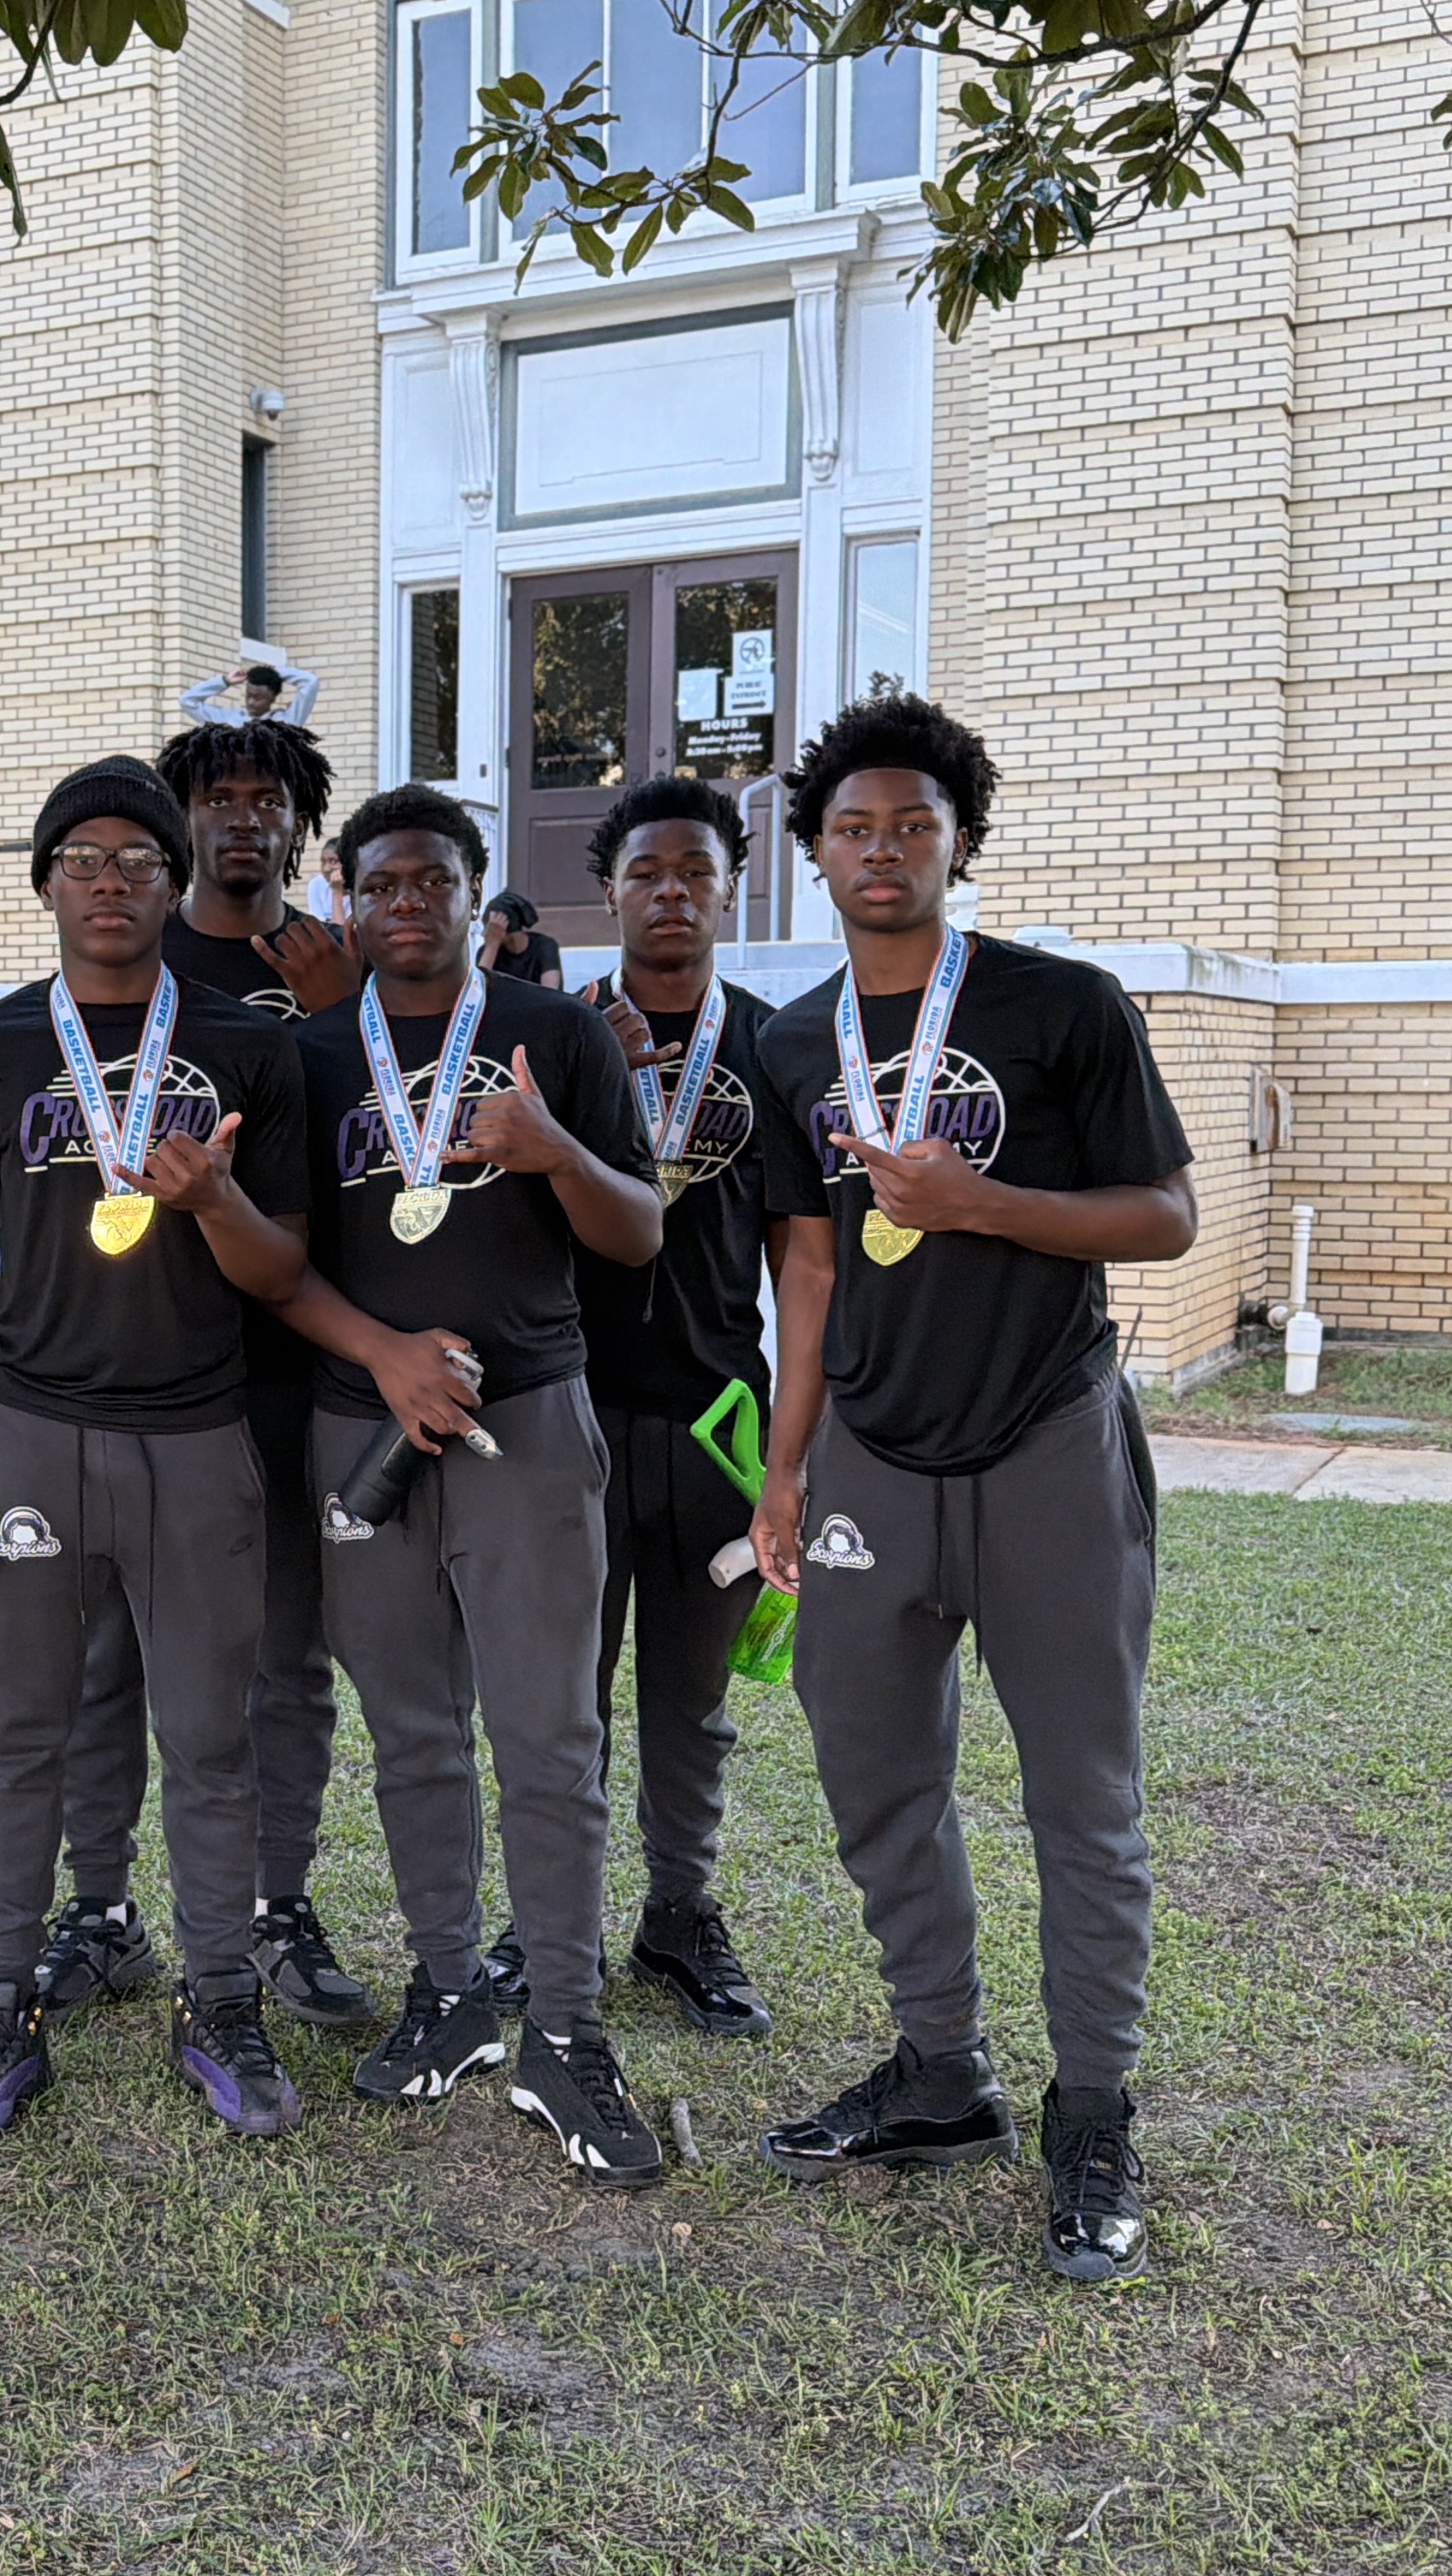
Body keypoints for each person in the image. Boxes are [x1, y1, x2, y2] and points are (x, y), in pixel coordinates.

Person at [743, 691, 1196, 2286]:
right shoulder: (789, 1038)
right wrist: (785, 1469)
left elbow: (1165, 1218)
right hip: (871, 1451)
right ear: (813, 851)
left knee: (1081, 1796)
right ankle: (939, 2071)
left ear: (957, 844)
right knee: (874, 1776)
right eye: (853, 826)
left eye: (912, 826)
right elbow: (806, 1270)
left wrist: (978, 1199)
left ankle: (1092, 2112)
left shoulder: (1060, 1004)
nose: (882, 849)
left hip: (1044, 1443)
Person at [0, 756, 318, 2144]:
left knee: (211, 1738)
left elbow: (281, 1270)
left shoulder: (253, 1050)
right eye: (81, 859)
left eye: (138, 861)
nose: (109, 882)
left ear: (175, 881)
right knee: (15, 1736)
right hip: (30, 1435)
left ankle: (220, 1997)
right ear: (43, 884)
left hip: (198, 1436)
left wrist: (209, 1201)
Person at [296, 782, 672, 2187]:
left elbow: (636, 1233)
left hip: (527, 1421)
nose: (407, 905)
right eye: (382, 883)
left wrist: (550, 1148)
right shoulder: (315, 1056)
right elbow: (277, 1262)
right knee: (407, 1731)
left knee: (547, 1735)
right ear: (347, 892)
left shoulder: (556, 1036)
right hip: (364, 1430)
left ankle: (566, 2028)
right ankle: (451, 1983)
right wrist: (383, 1359)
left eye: (432, 883)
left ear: (472, 895)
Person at [16, 716, 370, 2037]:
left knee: (282, 1652)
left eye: (264, 800)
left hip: (295, 1356)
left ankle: (275, 1907)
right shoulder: (126, 948)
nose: (238, 820)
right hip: (139, 1360)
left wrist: (343, 1013)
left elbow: (381, 1122)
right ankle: (99, 1910)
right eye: (211, 800)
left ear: (296, 825)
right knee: (105, 1651)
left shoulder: (330, 967)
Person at [573, 778, 784, 2038]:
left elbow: (806, 1258)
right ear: (608, 889)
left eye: (694, 872)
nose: (669, 892)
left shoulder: (773, 1042)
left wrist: (797, 1446)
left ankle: (680, 1912)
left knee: (693, 1697)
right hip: (575, 1417)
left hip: (719, 1419)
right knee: (567, 1693)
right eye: (645, 871)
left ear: (731, 886)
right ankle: (552, 1920)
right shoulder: (552, 1035)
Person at [180, 660, 320, 729]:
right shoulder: (226, 719)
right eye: (248, 695)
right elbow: (187, 701)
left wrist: (275, 671)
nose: (251, 702)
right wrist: (225, 681)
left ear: (272, 697)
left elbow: (311, 682)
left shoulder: (286, 721)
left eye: (258, 698)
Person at [482, 889, 564, 989]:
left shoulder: (544, 947)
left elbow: (552, 993)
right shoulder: (487, 952)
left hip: (539, 1003)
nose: (485, 934)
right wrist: (492, 946)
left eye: (490, 929)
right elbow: (479, 990)